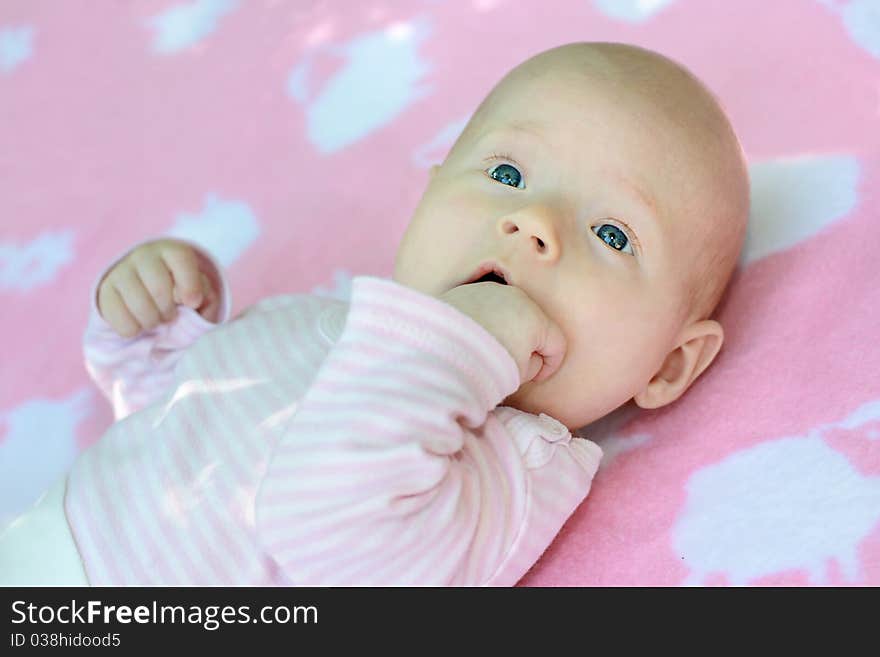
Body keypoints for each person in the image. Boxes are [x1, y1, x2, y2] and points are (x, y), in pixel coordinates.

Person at [0, 41, 749, 586]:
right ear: (428, 195)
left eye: (612, 233)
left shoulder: (516, 468)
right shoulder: (329, 324)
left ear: (669, 363)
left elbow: (328, 526)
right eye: (508, 173)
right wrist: (154, 325)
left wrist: (457, 348)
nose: (533, 223)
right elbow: (164, 413)